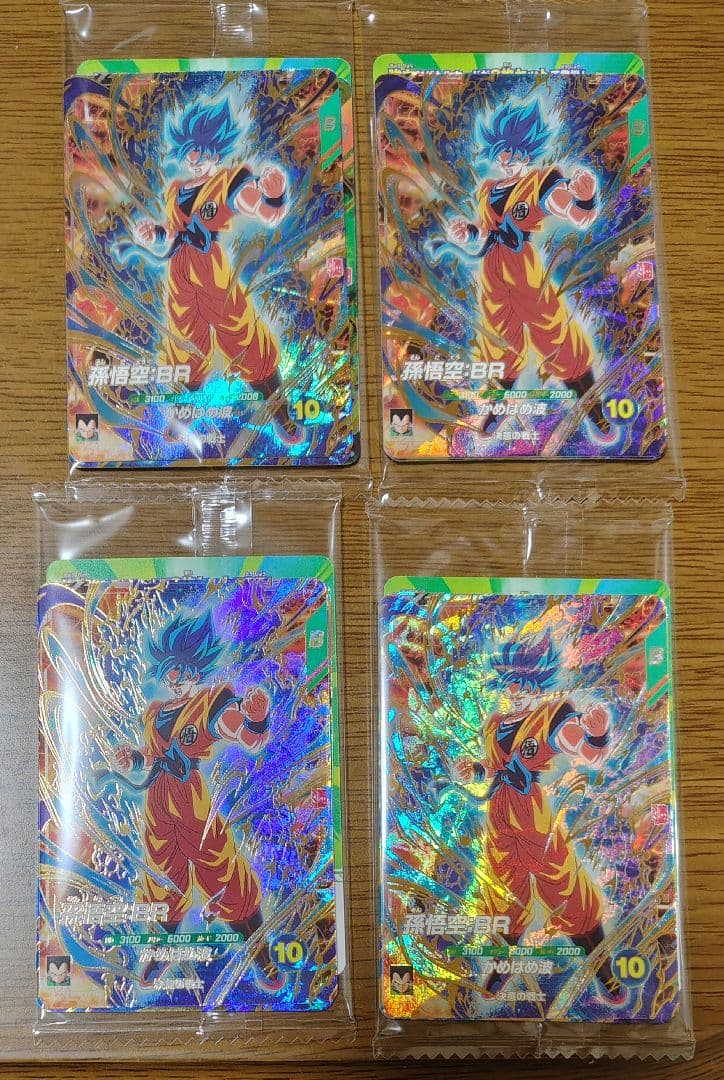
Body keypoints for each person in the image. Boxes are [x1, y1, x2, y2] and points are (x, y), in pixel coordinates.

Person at [112, 609, 284, 990]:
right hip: (158, 802)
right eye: (170, 672)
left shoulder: (209, 703)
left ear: (196, 671)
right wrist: (132, 759)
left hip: (191, 800)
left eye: (184, 671)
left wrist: (256, 719)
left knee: (222, 870)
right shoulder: (154, 713)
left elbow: (245, 736)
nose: (176, 680)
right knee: (162, 878)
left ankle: (261, 955)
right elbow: (150, 757)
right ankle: (161, 950)